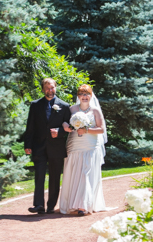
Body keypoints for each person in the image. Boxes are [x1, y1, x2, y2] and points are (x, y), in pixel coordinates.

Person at [22, 78, 72, 214]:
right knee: (39, 176)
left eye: (52, 88)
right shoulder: (35, 105)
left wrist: (60, 132)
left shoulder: (65, 106)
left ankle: (51, 206)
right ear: (43, 89)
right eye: (47, 88)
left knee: (55, 177)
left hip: (56, 147)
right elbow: (30, 127)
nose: (50, 91)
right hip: (39, 146)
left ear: (55, 88)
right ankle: (38, 205)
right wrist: (28, 144)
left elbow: (70, 127)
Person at [59, 84, 109, 215]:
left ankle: (83, 205)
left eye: (87, 94)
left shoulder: (96, 111)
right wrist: (65, 126)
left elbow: (101, 129)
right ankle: (73, 203)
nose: (84, 96)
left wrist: (86, 130)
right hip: (74, 144)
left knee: (85, 174)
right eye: (81, 94)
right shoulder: (72, 109)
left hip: (90, 146)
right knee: (74, 172)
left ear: (91, 96)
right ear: (78, 96)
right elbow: (64, 122)